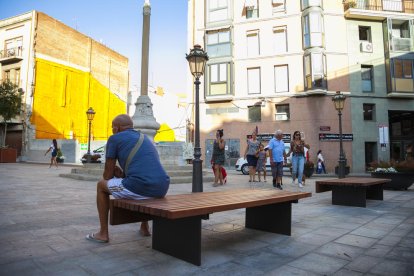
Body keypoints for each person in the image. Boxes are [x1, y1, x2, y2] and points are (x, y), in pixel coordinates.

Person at [86, 114, 170, 243]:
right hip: (162, 187)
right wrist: (122, 175)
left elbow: (107, 176)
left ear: (116, 128)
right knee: (141, 184)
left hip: (142, 187)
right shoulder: (144, 138)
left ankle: (103, 233)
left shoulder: (114, 139)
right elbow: (143, 169)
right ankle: (145, 227)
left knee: (101, 186)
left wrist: (112, 171)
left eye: (112, 128)